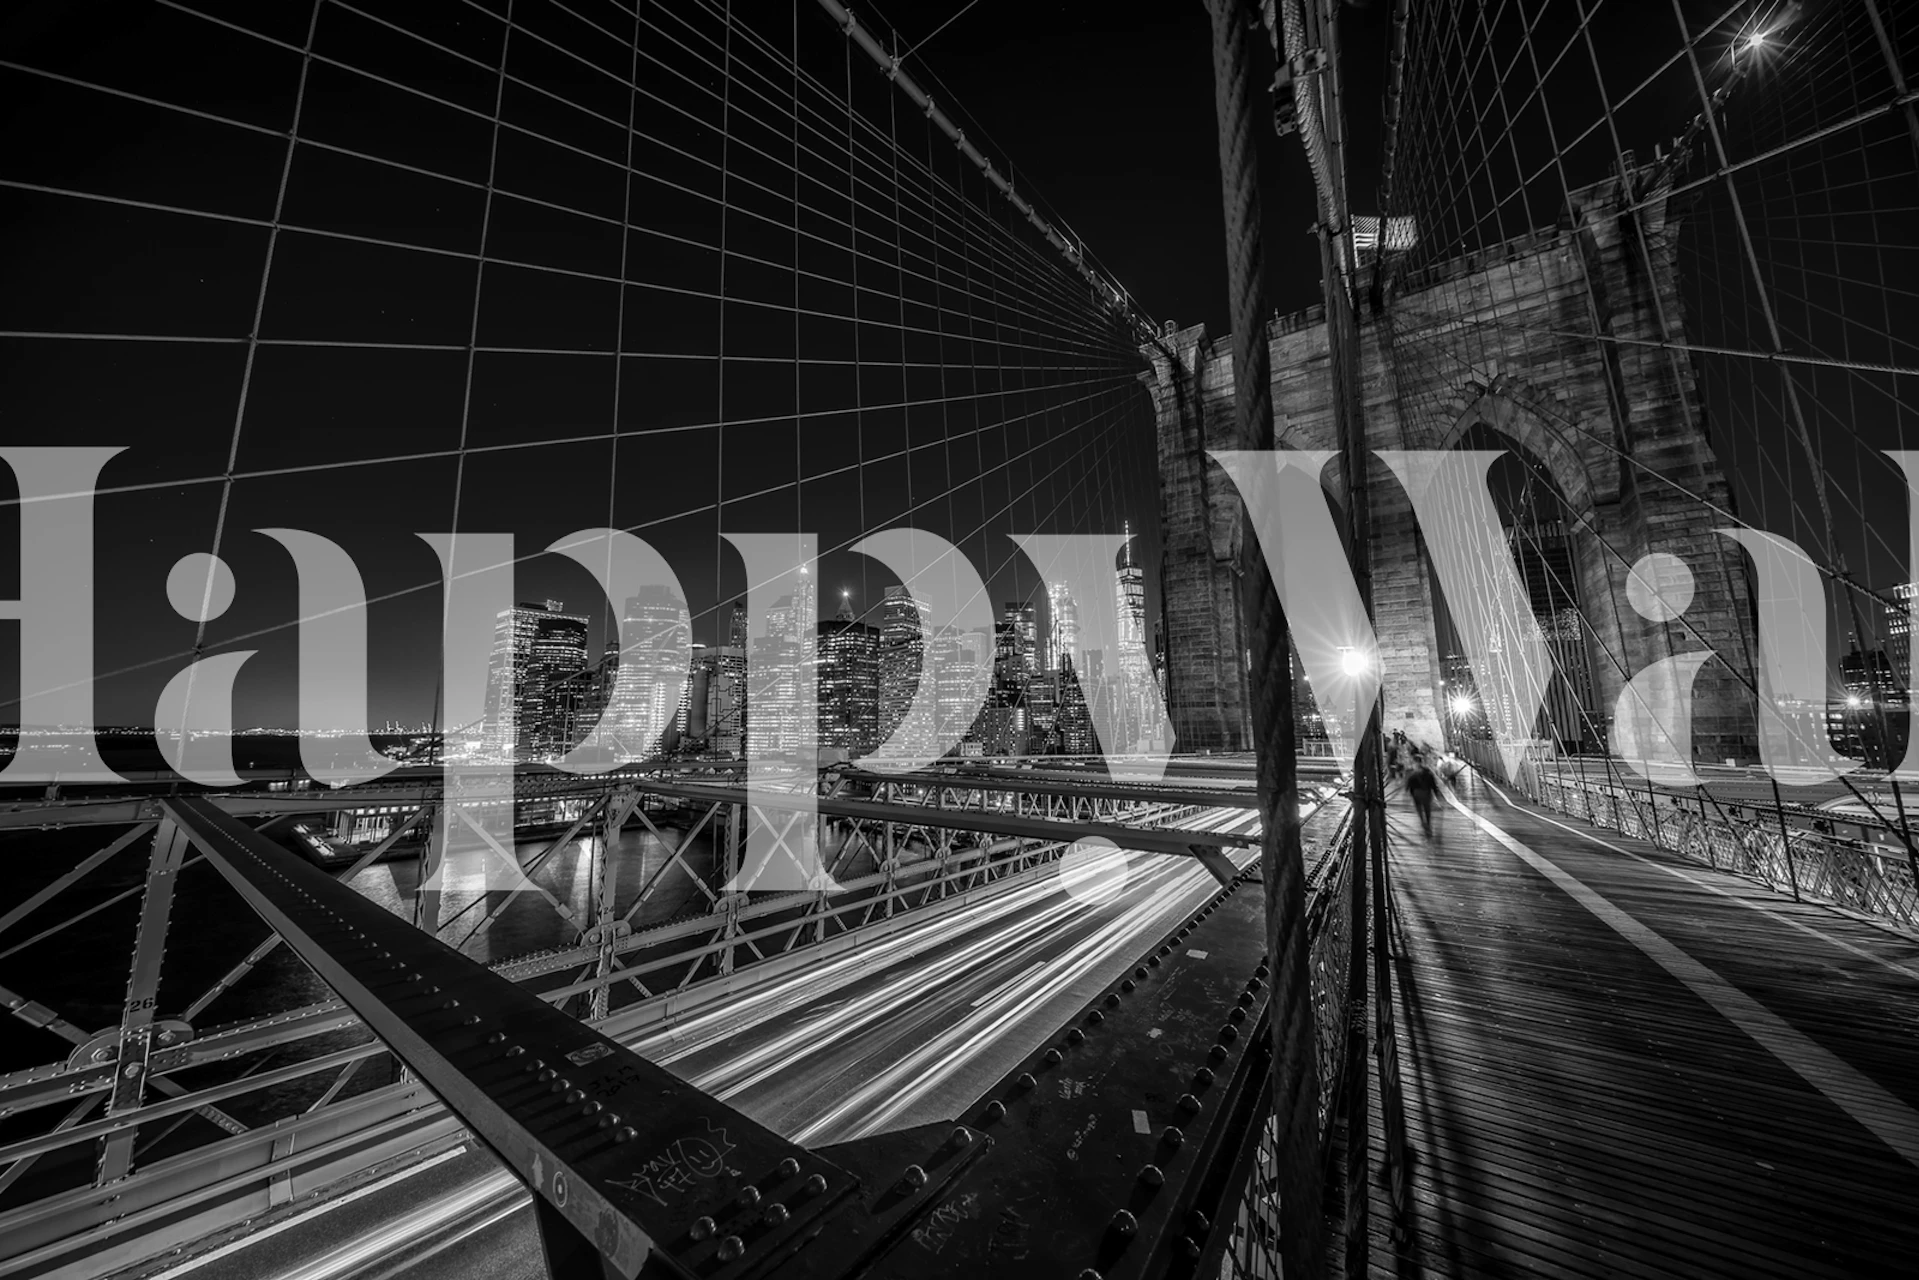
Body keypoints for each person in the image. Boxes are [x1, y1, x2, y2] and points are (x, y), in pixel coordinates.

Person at [1405, 750, 1439, 837]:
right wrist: (1436, 793)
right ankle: (1428, 822)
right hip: (1427, 792)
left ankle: (1422, 821)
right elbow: (1433, 784)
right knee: (1427, 809)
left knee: (1419, 807)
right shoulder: (1428, 772)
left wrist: (1408, 792)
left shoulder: (1412, 773)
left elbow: (1409, 783)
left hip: (1416, 793)